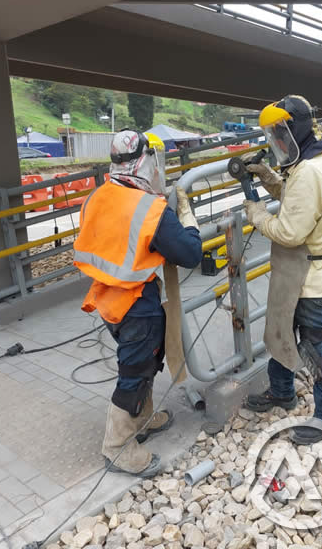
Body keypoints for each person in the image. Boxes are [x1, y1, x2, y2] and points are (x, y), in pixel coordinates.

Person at [73, 130, 201, 477]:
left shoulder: (98, 196)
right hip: (135, 303)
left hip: (107, 299)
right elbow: (190, 253)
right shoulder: (149, 208)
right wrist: (188, 220)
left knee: (145, 362)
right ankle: (116, 448)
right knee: (134, 372)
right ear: (145, 162)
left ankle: (141, 420)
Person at [242, 95, 322, 445]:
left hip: (308, 276)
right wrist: (269, 176)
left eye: (280, 135)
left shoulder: (309, 172)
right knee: (281, 331)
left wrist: (255, 213)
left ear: (293, 129)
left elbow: (289, 231)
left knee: (318, 350)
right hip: (308, 269)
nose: (278, 143)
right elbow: (300, 198)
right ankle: (281, 390)